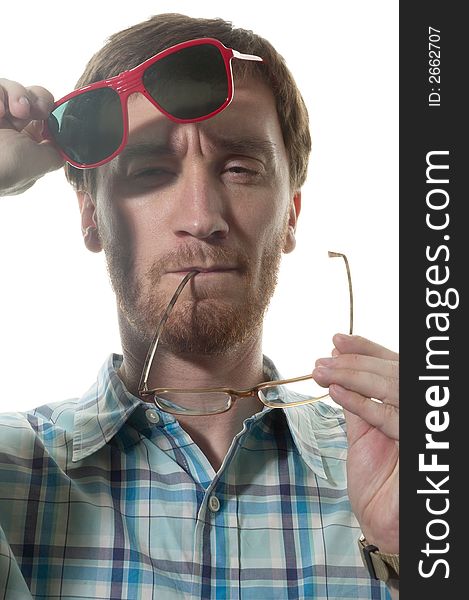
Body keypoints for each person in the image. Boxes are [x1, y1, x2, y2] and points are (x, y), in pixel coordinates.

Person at [0, 12, 399, 600]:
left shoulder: (405, 471)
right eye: (152, 170)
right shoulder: (9, 472)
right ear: (91, 217)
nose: (202, 218)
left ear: (290, 214)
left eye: (240, 168)